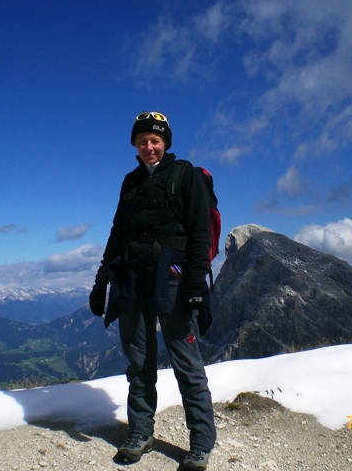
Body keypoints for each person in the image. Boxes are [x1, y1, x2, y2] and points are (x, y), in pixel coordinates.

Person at [89, 111, 216, 470]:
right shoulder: (130, 182)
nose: (149, 147)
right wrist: (101, 281)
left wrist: (195, 286)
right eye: (142, 141)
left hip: (173, 281)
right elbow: (117, 234)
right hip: (133, 280)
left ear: (166, 143)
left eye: (155, 140)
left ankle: (202, 443)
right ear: (135, 144)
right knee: (138, 362)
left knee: (186, 364)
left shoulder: (186, 176)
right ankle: (140, 432)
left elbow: (200, 232)